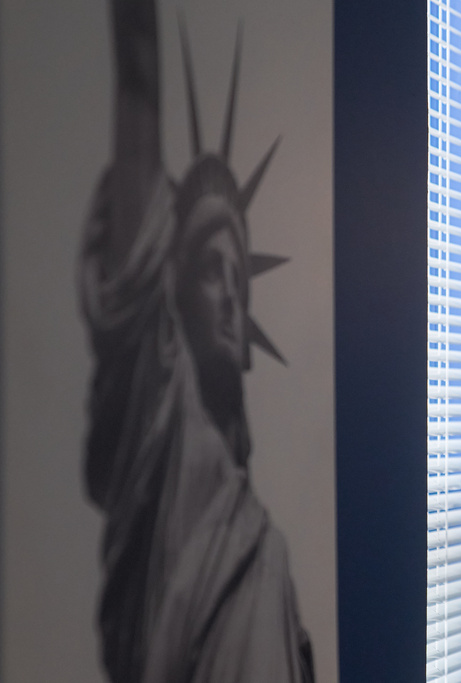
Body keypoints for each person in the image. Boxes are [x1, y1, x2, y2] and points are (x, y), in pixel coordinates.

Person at [79, 1, 313, 681]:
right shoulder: (162, 416)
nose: (234, 293)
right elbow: (139, 87)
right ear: (171, 290)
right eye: (212, 270)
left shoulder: (254, 522)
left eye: (240, 275)